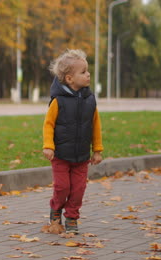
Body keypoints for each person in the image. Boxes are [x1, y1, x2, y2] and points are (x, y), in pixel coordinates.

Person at [42, 49, 103, 234]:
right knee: (62, 187)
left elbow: (95, 125)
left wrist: (97, 150)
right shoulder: (58, 101)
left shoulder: (90, 100)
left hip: (82, 156)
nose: (88, 74)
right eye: (83, 72)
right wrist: (48, 146)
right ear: (69, 79)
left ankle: (71, 217)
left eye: (87, 71)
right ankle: (55, 209)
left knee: (78, 190)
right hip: (60, 155)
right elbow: (48, 124)